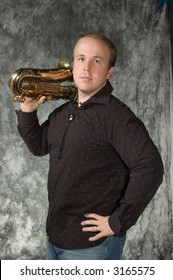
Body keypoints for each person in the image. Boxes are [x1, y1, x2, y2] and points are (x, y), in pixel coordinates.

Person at [16, 33, 164, 260]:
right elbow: (38, 145)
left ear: (109, 72)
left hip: (93, 246)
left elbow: (150, 167)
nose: (87, 67)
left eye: (97, 61)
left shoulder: (116, 116)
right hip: (55, 238)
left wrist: (117, 222)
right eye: (81, 59)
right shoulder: (64, 112)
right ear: (73, 65)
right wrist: (28, 112)